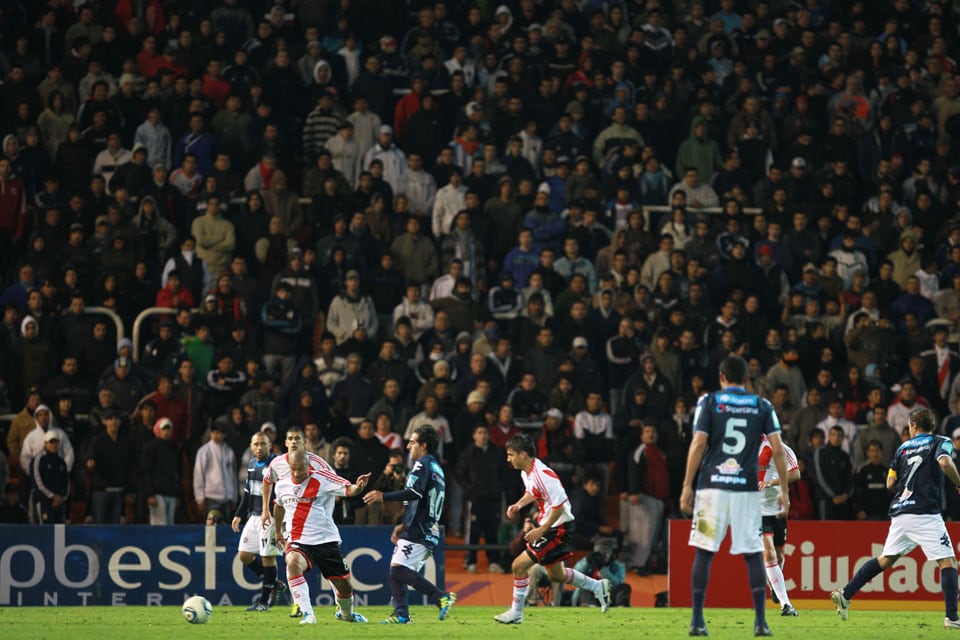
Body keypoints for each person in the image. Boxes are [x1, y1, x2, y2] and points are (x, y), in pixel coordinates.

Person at [680, 355, 790, 637]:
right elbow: (778, 449)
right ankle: (761, 623)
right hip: (746, 491)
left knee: (704, 551)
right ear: (747, 379)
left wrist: (686, 485)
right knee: (753, 553)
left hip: (711, 489)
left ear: (721, 376)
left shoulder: (709, 401)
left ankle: (696, 621)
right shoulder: (762, 405)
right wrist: (785, 492)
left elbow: (699, 442)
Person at [830, 407, 960, 630]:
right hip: (925, 512)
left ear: (914, 426)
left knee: (886, 559)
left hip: (900, 512)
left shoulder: (902, 448)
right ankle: (952, 618)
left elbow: (890, 483)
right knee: (948, 562)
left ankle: (846, 593)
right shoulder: (941, 441)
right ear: (931, 426)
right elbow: (945, 462)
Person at [493, 432, 611, 624]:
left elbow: (560, 506)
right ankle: (598, 586)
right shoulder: (527, 472)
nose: (508, 458)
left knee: (518, 565)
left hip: (558, 527)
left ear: (523, 455)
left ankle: (516, 612)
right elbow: (533, 492)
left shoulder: (544, 475)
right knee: (556, 575)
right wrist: (518, 505)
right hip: (552, 526)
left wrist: (541, 530)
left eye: (511, 454)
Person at [362, 426, 457, 624]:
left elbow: (414, 494)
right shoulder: (437, 467)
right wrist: (402, 524)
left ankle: (440, 596)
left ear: (423, 446)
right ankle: (402, 614)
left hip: (419, 528)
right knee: (397, 571)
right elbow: (419, 500)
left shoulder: (422, 464)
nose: (408, 446)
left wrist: (383, 496)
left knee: (397, 570)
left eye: (412, 442)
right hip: (426, 527)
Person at [272, 449, 371, 625]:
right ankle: (308, 614)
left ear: (308, 466)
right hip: (298, 540)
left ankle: (346, 614)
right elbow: (278, 506)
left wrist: (359, 487)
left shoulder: (323, 477)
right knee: (292, 563)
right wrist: (278, 531)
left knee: (344, 585)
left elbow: (349, 490)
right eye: (293, 469)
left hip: (325, 540)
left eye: (300, 469)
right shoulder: (281, 485)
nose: (296, 473)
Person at [231, 431, 283, 611]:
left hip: (270, 517)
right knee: (244, 555)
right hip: (253, 516)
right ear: (251, 446)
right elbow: (248, 493)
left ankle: (263, 602)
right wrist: (239, 514)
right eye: (256, 444)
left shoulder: (277, 464)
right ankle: (273, 583)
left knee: (268, 558)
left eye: (263, 444)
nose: (259, 447)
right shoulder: (252, 464)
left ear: (270, 445)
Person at [757, 433, 801, 616]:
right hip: (756, 510)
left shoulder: (781, 448)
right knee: (769, 553)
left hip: (776, 509)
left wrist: (772, 483)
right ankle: (786, 604)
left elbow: (796, 473)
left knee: (780, 556)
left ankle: (775, 586)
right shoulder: (743, 448)